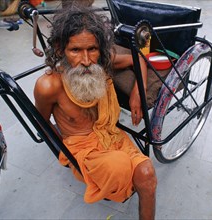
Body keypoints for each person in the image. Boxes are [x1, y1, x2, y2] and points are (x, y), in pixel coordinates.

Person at [34, 6, 157, 220]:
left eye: (92, 48)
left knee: (147, 174)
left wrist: (138, 91)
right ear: (60, 48)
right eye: (75, 50)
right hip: (83, 149)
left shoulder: (104, 61)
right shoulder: (49, 86)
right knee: (119, 166)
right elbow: (42, 124)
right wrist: (67, 154)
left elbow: (138, 58)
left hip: (112, 136)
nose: (86, 59)